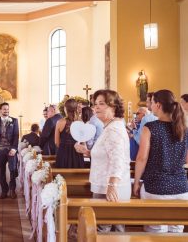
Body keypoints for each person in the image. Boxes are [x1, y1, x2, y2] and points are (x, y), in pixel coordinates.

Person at [75, 89, 131, 232]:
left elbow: (117, 160)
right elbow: (108, 155)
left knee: (104, 231)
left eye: (101, 104)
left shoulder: (113, 130)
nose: (96, 107)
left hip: (109, 188)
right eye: (95, 104)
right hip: (107, 185)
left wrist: (112, 185)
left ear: (113, 107)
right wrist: (87, 152)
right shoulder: (111, 127)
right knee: (111, 231)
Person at [133, 89, 188, 233]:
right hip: (181, 188)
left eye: (152, 103)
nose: (150, 106)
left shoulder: (150, 128)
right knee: (176, 232)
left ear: (158, 105)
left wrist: (137, 181)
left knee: (155, 232)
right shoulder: (184, 129)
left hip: (155, 187)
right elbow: (187, 159)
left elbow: (142, 158)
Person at [55, 99, 84, 168]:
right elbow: (82, 142)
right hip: (77, 154)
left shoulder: (60, 122)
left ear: (65, 109)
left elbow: (56, 142)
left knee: (62, 177)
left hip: (63, 153)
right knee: (77, 176)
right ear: (76, 108)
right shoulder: (81, 122)